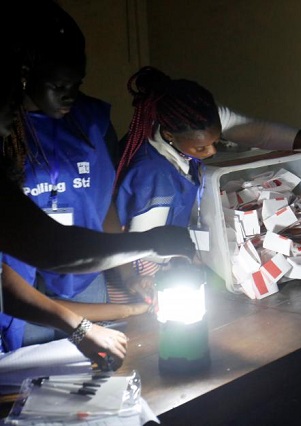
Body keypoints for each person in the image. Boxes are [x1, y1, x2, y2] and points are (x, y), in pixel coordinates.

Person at [0, 7, 194, 369]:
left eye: (77, 83)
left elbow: (103, 208)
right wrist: (152, 242)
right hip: (26, 288)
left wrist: (125, 276)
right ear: (22, 79)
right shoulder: (11, 139)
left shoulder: (91, 122)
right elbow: (48, 251)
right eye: (58, 86)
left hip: (80, 279)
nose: (70, 96)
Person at [113, 66, 301, 281]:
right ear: (171, 136)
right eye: (201, 148)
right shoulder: (155, 175)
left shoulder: (194, 123)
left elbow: (260, 133)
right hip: (147, 265)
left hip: (172, 245)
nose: (213, 151)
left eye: (217, 140)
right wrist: (193, 255)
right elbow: (147, 245)